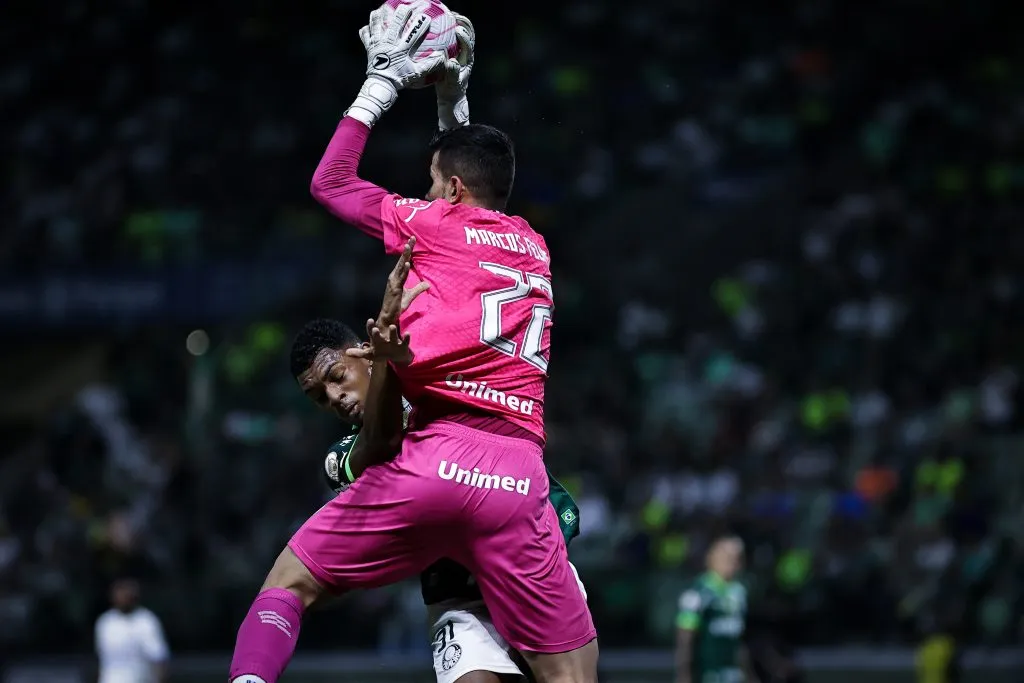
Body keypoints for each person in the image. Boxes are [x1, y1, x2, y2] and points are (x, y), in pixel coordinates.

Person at [228, 5, 596, 683]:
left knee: (286, 584)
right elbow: (473, 184)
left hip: (437, 465)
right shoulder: (532, 244)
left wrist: (384, 82)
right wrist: (455, 99)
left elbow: (331, 182)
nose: (424, 195)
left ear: (448, 191)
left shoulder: (433, 225)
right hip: (518, 477)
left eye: (432, 186)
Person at [675, 537, 759, 683]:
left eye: (737, 558)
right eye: (727, 558)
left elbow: (739, 640)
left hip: (733, 674)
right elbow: (685, 638)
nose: (733, 563)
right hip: (706, 673)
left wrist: (749, 674)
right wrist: (684, 675)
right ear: (711, 558)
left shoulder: (739, 592)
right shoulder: (697, 592)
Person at [95, 578, 169, 683]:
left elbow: (158, 657)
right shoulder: (105, 622)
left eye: (126, 594)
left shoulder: (146, 621)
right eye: (119, 594)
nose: (122, 598)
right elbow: (102, 658)